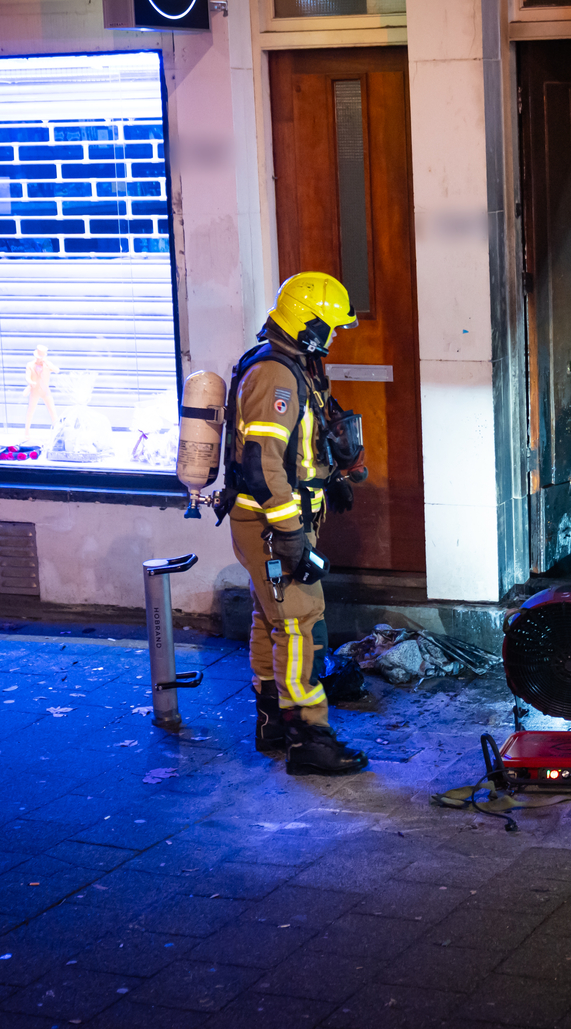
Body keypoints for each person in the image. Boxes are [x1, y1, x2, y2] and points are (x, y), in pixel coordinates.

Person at [219, 272, 370, 776]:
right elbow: (263, 463)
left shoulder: (293, 365)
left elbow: (299, 448)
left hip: (276, 519)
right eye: (330, 326)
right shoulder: (276, 377)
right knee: (301, 623)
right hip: (271, 524)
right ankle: (310, 738)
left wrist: (330, 480)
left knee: (272, 619)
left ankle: (274, 724)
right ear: (307, 324)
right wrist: (288, 533)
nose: (334, 336)